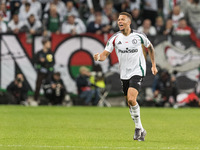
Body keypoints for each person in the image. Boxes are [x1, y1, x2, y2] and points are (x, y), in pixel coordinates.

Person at [93, 12, 158, 141]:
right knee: (129, 103)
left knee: (131, 99)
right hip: (124, 73)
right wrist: (99, 57)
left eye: (122, 19)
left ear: (129, 22)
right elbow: (105, 54)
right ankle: (141, 128)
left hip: (137, 71)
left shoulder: (138, 36)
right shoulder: (115, 38)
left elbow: (150, 47)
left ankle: (138, 129)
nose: (119, 22)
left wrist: (153, 65)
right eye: (118, 20)